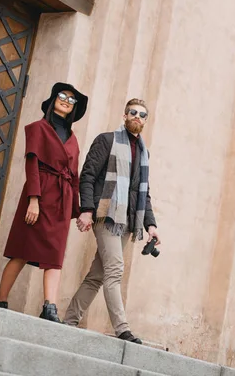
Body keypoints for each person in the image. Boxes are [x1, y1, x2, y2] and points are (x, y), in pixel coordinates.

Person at [62, 98, 160, 344]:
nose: (137, 116)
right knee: (115, 270)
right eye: (133, 112)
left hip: (127, 222)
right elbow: (87, 176)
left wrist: (151, 225)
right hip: (105, 215)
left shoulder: (144, 152)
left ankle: (69, 321)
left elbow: (142, 192)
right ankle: (122, 329)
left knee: (97, 275)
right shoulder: (106, 140)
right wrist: (86, 209)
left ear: (145, 121)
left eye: (142, 114)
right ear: (125, 115)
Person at [0, 82, 88, 323]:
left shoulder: (73, 139)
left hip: (62, 201)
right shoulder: (37, 128)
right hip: (40, 193)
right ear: (54, 98)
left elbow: (74, 174)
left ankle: (50, 307)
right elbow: (31, 164)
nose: (66, 100)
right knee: (22, 251)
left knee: (54, 256)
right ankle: (1, 300)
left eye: (71, 99)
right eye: (62, 96)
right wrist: (33, 200)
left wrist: (74, 210)